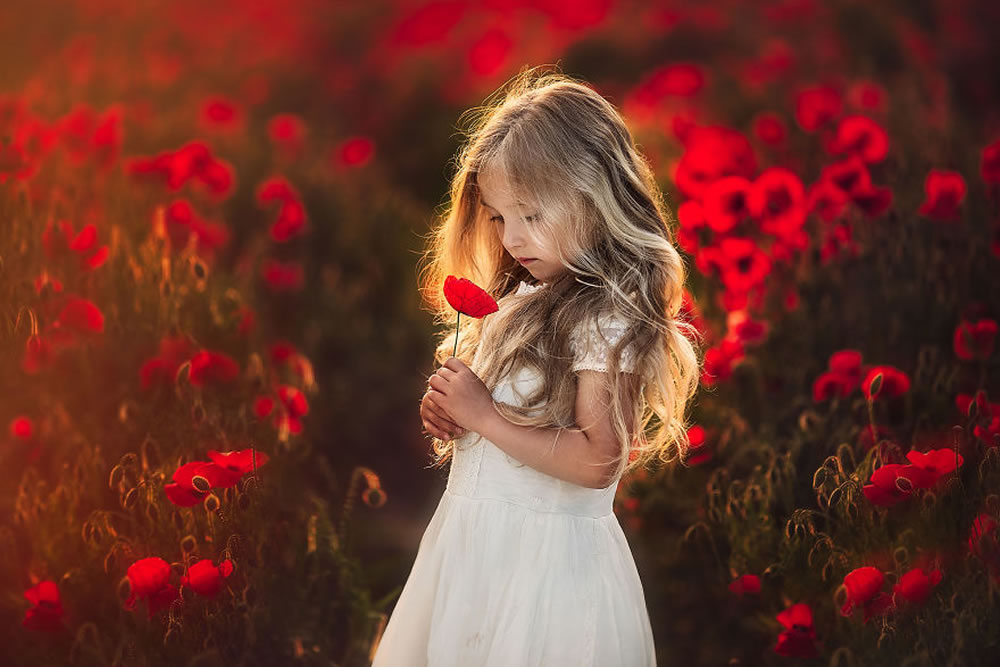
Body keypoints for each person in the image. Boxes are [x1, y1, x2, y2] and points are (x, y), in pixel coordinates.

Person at [371, 65, 703, 666]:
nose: (512, 237)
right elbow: (499, 428)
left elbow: (598, 459)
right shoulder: (520, 301)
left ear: (593, 199)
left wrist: (488, 417)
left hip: (548, 573)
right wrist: (455, 414)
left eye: (531, 214)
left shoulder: (605, 316)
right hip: (474, 553)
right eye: (498, 217)